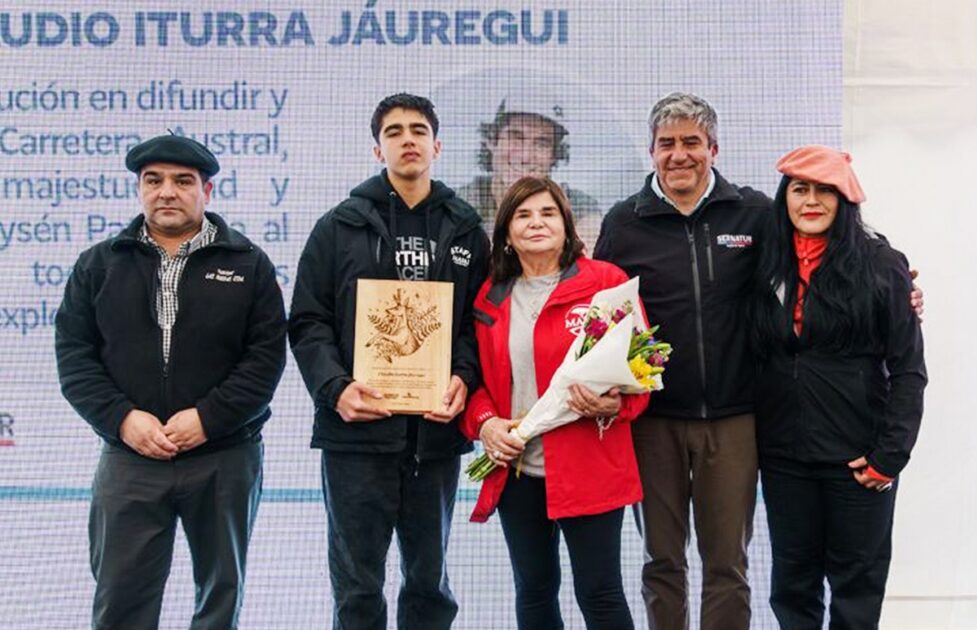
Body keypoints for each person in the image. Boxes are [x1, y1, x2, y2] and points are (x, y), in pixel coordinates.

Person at [54, 134, 287, 629]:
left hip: (224, 456)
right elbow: (74, 358)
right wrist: (123, 420)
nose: (166, 192)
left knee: (220, 599)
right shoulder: (98, 266)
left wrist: (209, 418)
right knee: (121, 600)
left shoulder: (249, 266)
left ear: (207, 191)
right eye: (153, 181)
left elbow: (264, 360)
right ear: (140, 189)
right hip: (129, 457)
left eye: (183, 182)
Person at [288, 93, 489, 630]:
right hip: (355, 435)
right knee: (357, 587)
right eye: (395, 131)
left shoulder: (466, 227)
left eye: (418, 130)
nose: (407, 139)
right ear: (378, 149)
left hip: (435, 435)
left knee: (429, 584)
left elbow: (479, 322)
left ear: (436, 145)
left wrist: (463, 378)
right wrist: (335, 388)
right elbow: (308, 321)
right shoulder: (339, 226)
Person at [594, 92, 768, 629]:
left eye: (691, 142)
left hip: (736, 418)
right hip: (653, 420)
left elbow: (818, 258)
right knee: (662, 561)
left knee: (727, 564)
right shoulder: (625, 222)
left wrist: (898, 280)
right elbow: (598, 316)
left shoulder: (754, 212)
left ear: (713, 148)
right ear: (651, 152)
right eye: (667, 144)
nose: (679, 155)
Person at [460, 176, 649, 629]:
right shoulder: (490, 295)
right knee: (534, 588)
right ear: (505, 233)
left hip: (591, 465)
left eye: (547, 213)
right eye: (523, 215)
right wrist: (485, 424)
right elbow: (478, 380)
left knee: (600, 591)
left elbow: (642, 375)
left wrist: (614, 407)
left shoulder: (606, 283)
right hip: (519, 469)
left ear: (567, 224)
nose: (536, 223)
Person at [750, 145, 926, 628]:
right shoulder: (767, 260)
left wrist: (890, 456)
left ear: (845, 199)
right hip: (784, 458)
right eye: (800, 190)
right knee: (792, 586)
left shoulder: (881, 264)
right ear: (784, 197)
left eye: (825, 191)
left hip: (858, 459)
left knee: (856, 589)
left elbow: (909, 369)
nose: (811, 201)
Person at [457, 95, 603, 247]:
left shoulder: (577, 207)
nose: (525, 156)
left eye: (542, 143)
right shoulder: (457, 204)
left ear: (555, 155)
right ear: (492, 141)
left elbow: (589, 259)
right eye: (516, 138)